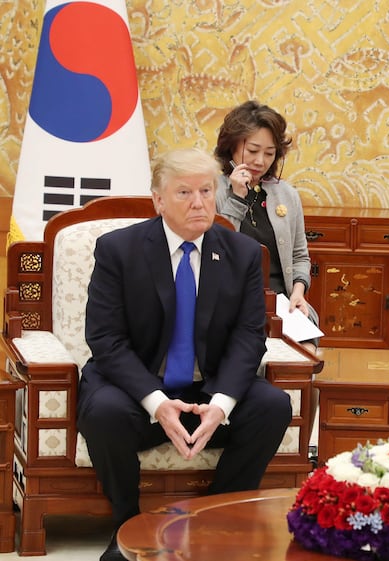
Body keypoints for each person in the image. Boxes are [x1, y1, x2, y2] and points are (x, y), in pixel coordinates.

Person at [77, 148, 292, 561]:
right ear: (158, 200)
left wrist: (222, 404)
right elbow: (104, 338)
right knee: (102, 411)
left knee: (272, 405)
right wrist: (156, 403)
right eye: (184, 193)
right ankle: (128, 531)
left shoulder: (241, 254)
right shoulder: (119, 250)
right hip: (138, 391)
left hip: (206, 392)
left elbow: (250, 337)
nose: (199, 203)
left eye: (207, 191)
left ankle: (211, 521)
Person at [214, 100, 319, 353]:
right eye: (252, 150)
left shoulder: (286, 195)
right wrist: (237, 199)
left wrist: (298, 292)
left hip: (283, 303)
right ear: (233, 146)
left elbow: (299, 256)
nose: (260, 161)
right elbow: (217, 252)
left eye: (269, 153)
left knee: (306, 351)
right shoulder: (212, 192)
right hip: (230, 306)